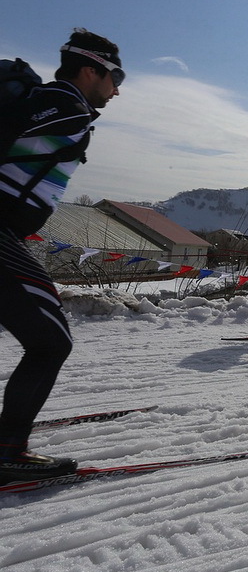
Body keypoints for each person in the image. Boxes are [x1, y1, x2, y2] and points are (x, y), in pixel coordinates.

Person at [0, 29, 124, 483]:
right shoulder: (63, 104)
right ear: (90, 69)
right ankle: (7, 452)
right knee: (51, 341)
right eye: (116, 75)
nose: (118, 88)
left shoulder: (57, 105)